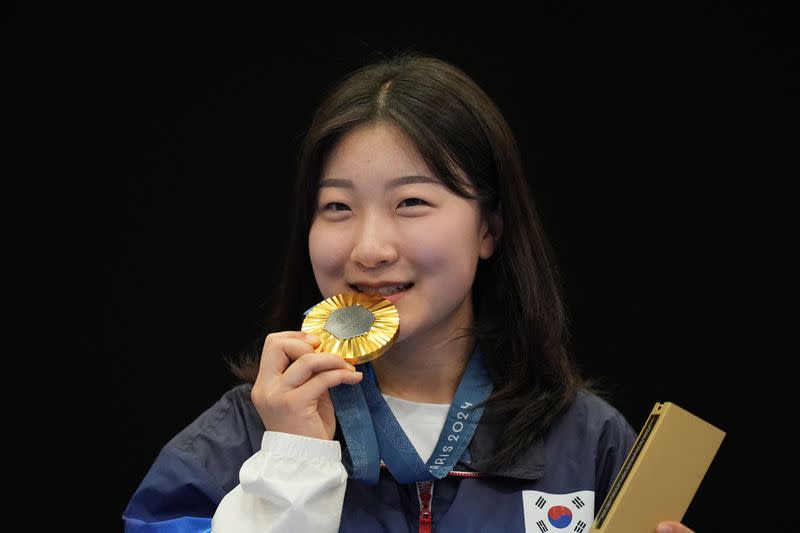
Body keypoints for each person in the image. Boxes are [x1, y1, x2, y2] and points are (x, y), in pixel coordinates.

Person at [123, 52, 696, 533]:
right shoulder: (243, 433)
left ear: (489, 230)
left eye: (411, 203)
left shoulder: (589, 441)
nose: (369, 248)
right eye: (338, 207)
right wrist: (291, 460)